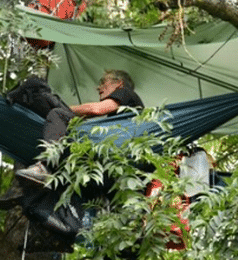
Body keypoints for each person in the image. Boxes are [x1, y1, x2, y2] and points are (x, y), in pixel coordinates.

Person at [16, 70, 144, 184]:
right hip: (118, 157)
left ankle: (45, 166)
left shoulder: (125, 93)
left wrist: (58, 107)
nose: (98, 88)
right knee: (64, 130)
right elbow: (79, 118)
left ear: (119, 84)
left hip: (123, 149)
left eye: (103, 82)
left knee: (58, 114)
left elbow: (95, 110)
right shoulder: (119, 114)